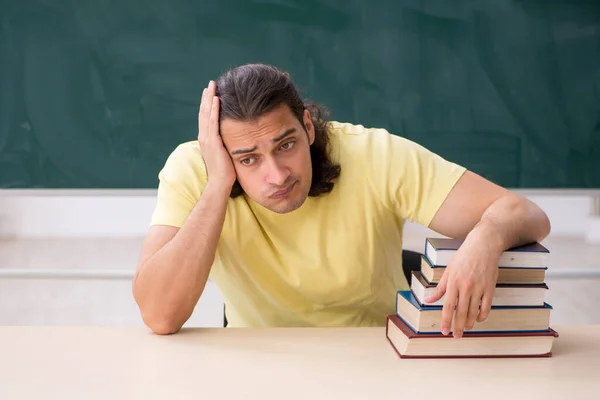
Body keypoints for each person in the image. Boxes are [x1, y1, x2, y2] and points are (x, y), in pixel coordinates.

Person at [132, 63, 550, 338]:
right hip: (257, 359)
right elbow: (159, 315)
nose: (276, 175)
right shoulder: (197, 170)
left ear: (308, 128)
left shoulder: (374, 154)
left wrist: (486, 238)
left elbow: (526, 214)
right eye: (248, 159)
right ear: (221, 154)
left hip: (374, 354)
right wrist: (217, 184)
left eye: (286, 144)